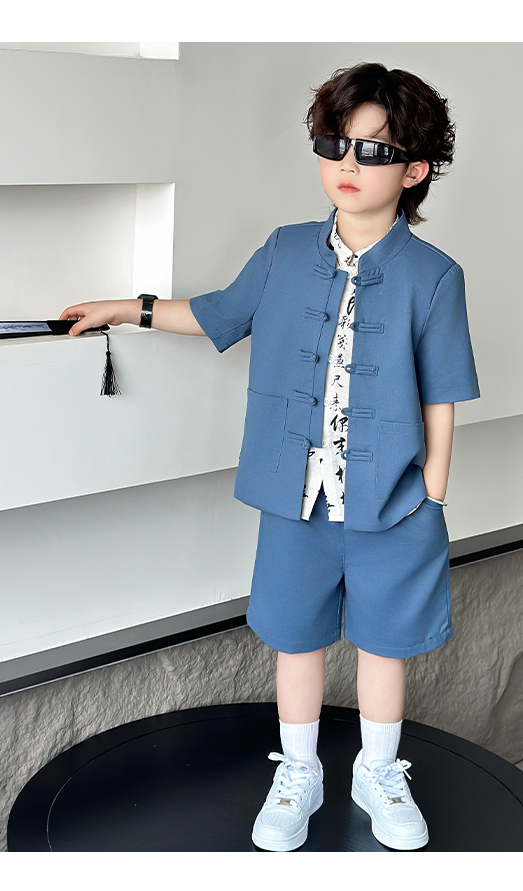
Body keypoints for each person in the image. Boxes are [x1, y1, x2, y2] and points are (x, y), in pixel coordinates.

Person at [60, 62, 480, 852]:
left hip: (394, 501)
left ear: (416, 170)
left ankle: (378, 772)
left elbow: (443, 392)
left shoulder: (435, 276)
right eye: (335, 144)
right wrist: (128, 307)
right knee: (296, 636)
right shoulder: (285, 251)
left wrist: (433, 492)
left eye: (375, 151)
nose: (349, 164)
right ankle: (299, 772)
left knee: (386, 644)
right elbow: (218, 311)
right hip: (295, 497)